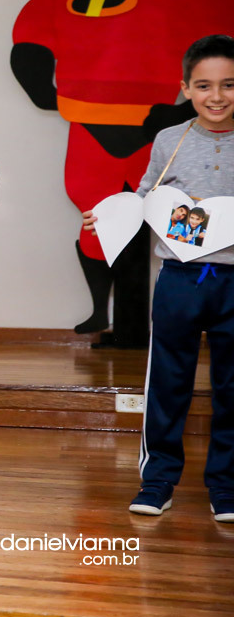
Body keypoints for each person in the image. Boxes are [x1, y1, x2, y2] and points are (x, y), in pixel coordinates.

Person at [11, 0, 234, 349]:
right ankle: (112, 317)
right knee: (100, 219)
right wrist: (40, 79)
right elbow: (34, 29)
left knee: (178, 221)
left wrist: (188, 109)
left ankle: (183, 321)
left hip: (172, 127)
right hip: (92, 125)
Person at [83, 34, 234, 522]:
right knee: (168, 382)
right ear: (186, 88)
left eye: (229, 85)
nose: (216, 96)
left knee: (232, 387)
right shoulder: (170, 140)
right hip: (179, 279)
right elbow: (145, 199)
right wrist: (108, 216)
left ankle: (227, 487)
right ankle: (158, 481)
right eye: (204, 85)